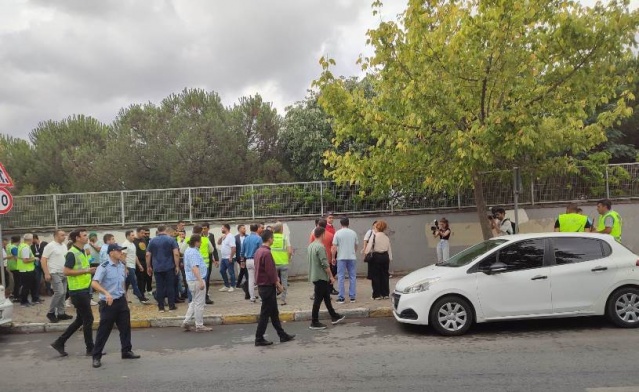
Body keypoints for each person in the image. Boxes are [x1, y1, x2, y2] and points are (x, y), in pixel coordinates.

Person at [90, 243, 141, 368]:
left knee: (125, 327)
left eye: (121, 251)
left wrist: (125, 295)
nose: (121, 253)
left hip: (120, 300)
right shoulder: (104, 266)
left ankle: (126, 351)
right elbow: (94, 283)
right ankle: (96, 356)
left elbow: (122, 282)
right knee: (104, 330)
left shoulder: (121, 265)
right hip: (108, 303)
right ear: (111, 252)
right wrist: (106, 293)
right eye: (118, 251)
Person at [50, 228, 97, 357]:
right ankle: (90, 349)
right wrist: (86, 271)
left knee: (80, 320)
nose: (87, 237)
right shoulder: (72, 253)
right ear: (77, 238)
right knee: (88, 319)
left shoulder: (82, 251)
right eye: (84, 235)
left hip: (84, 290)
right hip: (78, 291)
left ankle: (59, 342)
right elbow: (66, 271)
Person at [253, 229, 295, 346]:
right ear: (270, 239)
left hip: (263, 286)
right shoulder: (266, 253)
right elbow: (271, 272)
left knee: (274, 313)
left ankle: (282, 335)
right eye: (273, 238)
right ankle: (259, 338)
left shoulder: (259, 251)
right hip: (267, 287)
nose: (273, 240)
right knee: (265, 314)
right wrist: (279, 285)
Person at [309, 226, 345, 330]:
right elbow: (324, 264)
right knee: (317, 300)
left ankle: (334, 316)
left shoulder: (311, 246)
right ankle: (314, 321)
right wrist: (331, 276)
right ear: (323, 234)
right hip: (321, 276)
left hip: (315, 275)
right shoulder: (320, 247)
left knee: (326, 297)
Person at [41, 229, 73, 323]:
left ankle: (61, 313)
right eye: (62, 235)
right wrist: (46, 273)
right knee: (59, 292)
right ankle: (51, 313)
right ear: (56, 236)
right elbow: (43, 260)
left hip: (63, 272)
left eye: (65, 235)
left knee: (63, 293)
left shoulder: (63, 245)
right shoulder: (50, 246)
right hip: (54, 272)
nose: (64, 237)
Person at [146, 225, 180, 312]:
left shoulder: (152, 241)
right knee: (170, 287)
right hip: (169, 266)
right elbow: (176, 253)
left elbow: (148, 254)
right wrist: (177, 265)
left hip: (157, 267)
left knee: (159, 287)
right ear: (166, 230)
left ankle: (161, 307)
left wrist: (148, 266)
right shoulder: (171, 240)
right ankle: (171, 306)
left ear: (158, 230)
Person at [181, 234, 211, 332]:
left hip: (191, 280)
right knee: (199, 303)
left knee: (193, 302)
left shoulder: (188, 251)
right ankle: (199, 325)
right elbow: (195, 267)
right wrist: (200, 280)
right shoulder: (193, 253)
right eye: (200, 241)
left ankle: (186, 321)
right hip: (196, 280)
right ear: (196, 242)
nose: (201, 243)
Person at [182, 225, 216, 304]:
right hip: (204, 267)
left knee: (191, 286)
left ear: (193, 231)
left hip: (192, 267)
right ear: (201, 232)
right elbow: (211, 250)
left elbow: (182, 250)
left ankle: (191, 301)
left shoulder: (188, 240)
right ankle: (203, 300)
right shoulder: (206, 239)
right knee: (203, 284)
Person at [332, 217, 359, 304]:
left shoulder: (338, 233)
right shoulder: (353, 233)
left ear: (340, 224)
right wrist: (353, 252)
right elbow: (356, 245)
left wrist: (333, 257)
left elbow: (334, 247)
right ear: (348, 223)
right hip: (352, 257)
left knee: (341, 277)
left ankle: (341, 297)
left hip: (341, 257)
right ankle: (352, 297)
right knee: (352, 277)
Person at [364, 220, 393, 300]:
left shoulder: (374, 236)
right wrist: (390, 258)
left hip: (376, 257)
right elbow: (389, 248)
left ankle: (377, 295)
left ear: (377, 227)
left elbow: (369, 247)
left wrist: (366, 253)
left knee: (375, 276)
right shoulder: (386, 237)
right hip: (385, 257)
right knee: (385, 275)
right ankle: (385, 293)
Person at [309, 219, 338, 295]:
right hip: (328, 258)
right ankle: (328, 291)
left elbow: (311, 245)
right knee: (327, 277)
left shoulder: (314, 234)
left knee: (318, 278)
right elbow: (333, 248)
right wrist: (333, 258)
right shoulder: (331, 235)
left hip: (317, 260)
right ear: (326, 225)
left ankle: (317, 293)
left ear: (318, 225)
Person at [121, 230, 150, 304]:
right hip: (129, 266)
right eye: (132, 235)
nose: (134, 236)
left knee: (127, 283)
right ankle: (141, 298)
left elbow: (135, 256)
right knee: (134, 282)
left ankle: (123, 298)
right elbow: (123, 257)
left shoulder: (132, 244)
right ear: (127, 236)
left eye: (133, 235)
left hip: (133, 266)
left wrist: (139, 265)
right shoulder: (125, 244)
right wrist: (125, 268)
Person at [271, 222, 293, 305]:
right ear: (281, 229)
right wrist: (288, 258)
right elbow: (290, 251)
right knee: (284, 281)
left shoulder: (271, 238)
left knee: (273, 281)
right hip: (284, 262)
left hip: (273, 263)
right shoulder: (285, 238)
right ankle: (283, 299)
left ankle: (273, 297)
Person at [242, 223, 263, 303]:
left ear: (250, 229)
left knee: (251, 279)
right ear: (257, 229)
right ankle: (261, 297)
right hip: (256, 260)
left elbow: (242, 251)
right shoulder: (259, 238)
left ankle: (252, 297)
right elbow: (261, 251)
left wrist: (242, 261)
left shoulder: (246, 239)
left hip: (248, 260)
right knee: (259, 279)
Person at [17, 234, 39, 306]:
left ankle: (30, 299)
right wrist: (34, 258)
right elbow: (25, 260)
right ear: (31, 239)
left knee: (29, 286)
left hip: (26, 269)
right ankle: (24, 301)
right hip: (26, 270)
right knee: (26, 287)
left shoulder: (22, 245)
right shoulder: (25, 247)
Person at [201, 222, 220, 305]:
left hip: (208, 260)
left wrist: (216, 259)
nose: (203, 230)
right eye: (202, 228)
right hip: (200, 260)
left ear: (208, 228)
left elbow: (214, 248)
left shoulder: (211, 236)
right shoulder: (199, 236)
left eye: (205, 228)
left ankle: (206, 294)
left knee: (207, 278)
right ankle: (203, 296)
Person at [217, 224, 237, 292]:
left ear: (226, 228)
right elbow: (218, 243)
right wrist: (220, 238)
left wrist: (231, 257)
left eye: (222, 228)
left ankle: (232, 286)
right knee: (222, 271)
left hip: (229, 257)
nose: (221, 229)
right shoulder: (225, 236)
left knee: (231, 272)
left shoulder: (230, 236)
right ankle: (226, 285)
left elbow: (233, 248)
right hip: (224, 257)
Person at [134, 227, 152, 297]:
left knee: (145, 277)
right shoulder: (134, 241)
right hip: (138, 262)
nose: (143, 234)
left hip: (145, 261)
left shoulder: (143, 239)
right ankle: (140, 294)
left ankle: (142, 292)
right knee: (140, 279)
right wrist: (139, 264)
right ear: (137, 232)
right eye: (142, 233)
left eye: (144, 233)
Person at [31, 234, 48, 298]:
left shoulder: (44, 244)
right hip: (36, 264)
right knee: (37, 278)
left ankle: (48, 291)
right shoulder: (32, 246)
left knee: (46, 277)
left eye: (32, 239)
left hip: (44, 263)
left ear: (35, 238)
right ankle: (37, 292)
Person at [7, 235, 20, 301]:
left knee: (16, 281)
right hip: (16, 266)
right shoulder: (14, 247)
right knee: (18, 282)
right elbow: (16, 258)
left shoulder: (9, 246)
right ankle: (16, 296)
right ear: (19, 240)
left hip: (11, 266)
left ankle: (15, 294)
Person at [235, 224, 248, 291]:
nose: (245, 229)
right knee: (245, 270)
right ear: (239, 229)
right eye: (243, 228)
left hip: (246, 257)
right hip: (239, 257)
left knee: (243, 270)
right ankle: (247, 284)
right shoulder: (236, 238)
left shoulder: (247, 237)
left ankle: (238, 284)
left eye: (245, 228)